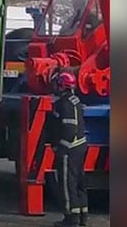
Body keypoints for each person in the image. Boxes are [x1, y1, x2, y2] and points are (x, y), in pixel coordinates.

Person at [49, 72, 88, 227]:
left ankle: (70, 218)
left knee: (67, 183)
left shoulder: (64, 103)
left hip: (70, 147)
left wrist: (60, 147)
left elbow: (69, 128)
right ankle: (82, 216)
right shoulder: (75, 100)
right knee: (79, 182)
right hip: (80, 145)